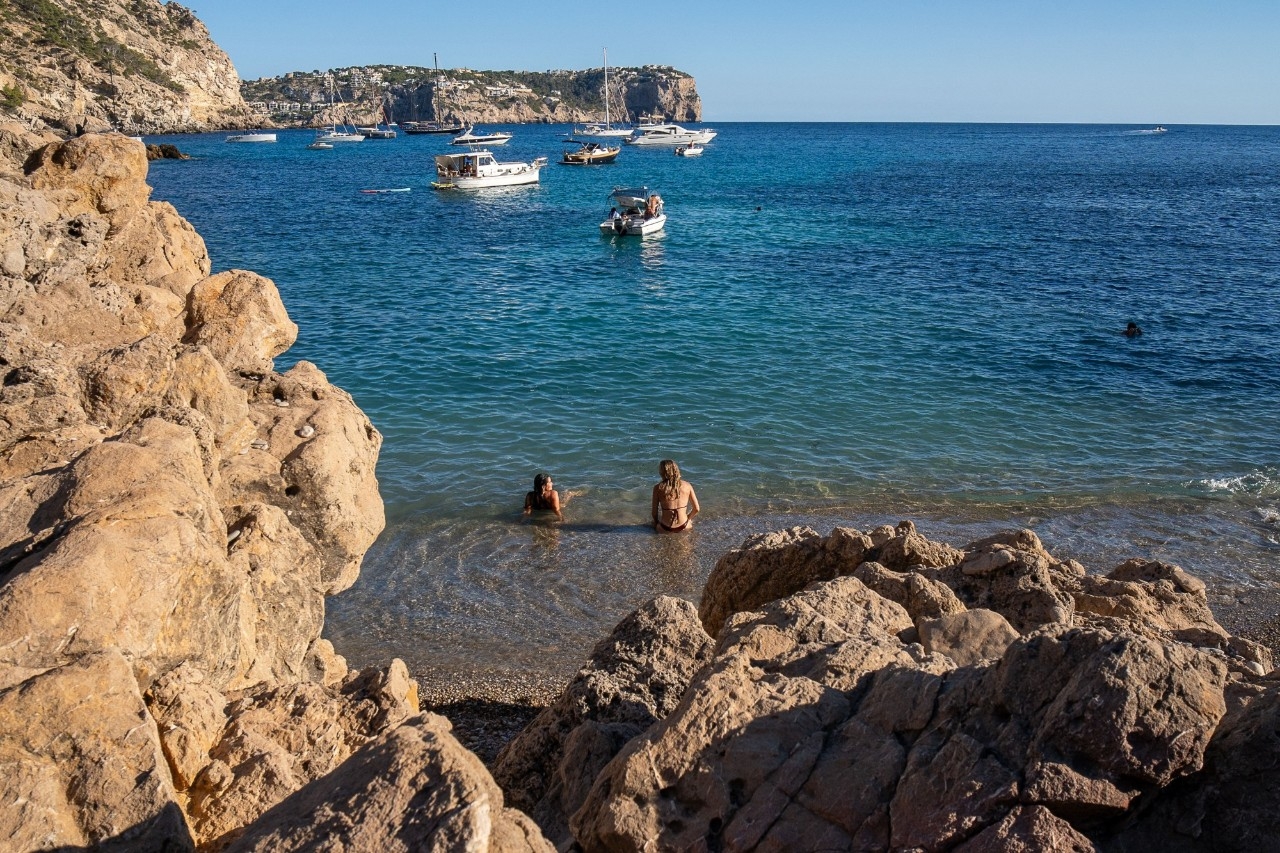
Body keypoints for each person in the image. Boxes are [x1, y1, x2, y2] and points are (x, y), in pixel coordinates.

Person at [651, 459, 699, 533]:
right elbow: (696, 509)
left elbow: (654, 513)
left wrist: (656, 522)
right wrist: (688, 519)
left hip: (665, 527)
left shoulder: (658, 488)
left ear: (662, 472)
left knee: (654, 527)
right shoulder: (687, 485)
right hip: (684, 525)